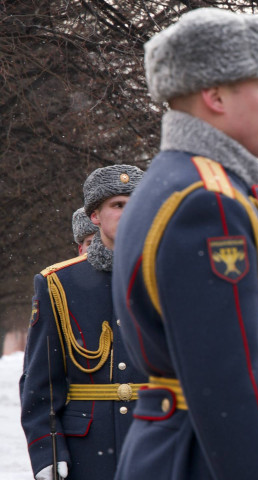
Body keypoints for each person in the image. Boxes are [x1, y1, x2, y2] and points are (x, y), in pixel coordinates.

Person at [111, 8, 258, 480]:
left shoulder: (173, 182)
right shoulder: (209, 203)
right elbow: (227, 387)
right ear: (215, 95)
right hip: (202, 459)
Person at [20, 164, 146, 480]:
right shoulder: (59, 284)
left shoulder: (172, 277)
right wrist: (47, 449)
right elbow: (41, 381)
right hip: (87, 452)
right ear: (94, 216)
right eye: (118, 205)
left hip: (158, 440)